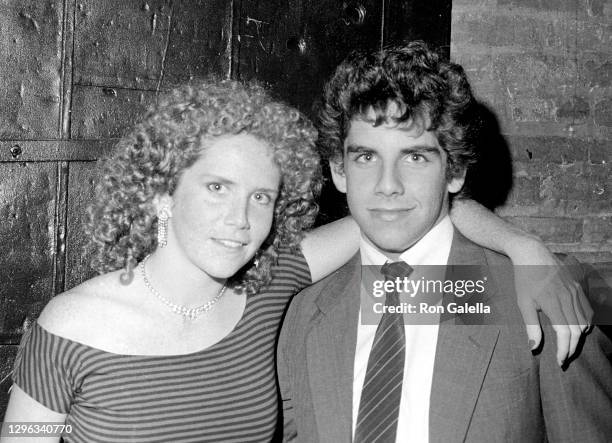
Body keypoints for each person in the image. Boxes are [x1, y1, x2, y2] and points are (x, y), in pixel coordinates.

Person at [0, 78, 592, 443]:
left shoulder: (269, 287)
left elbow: (398, 212)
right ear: (161, 190)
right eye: (216, 188)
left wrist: (526, 248)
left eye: (261, 196)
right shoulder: (68, 325)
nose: (240, 218)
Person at [277, 42, 612, 442]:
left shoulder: (541, 297)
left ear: (454, 172)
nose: (387, 186)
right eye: (366, 157)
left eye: (415, 157)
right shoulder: (299, 312)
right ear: (338, 170)